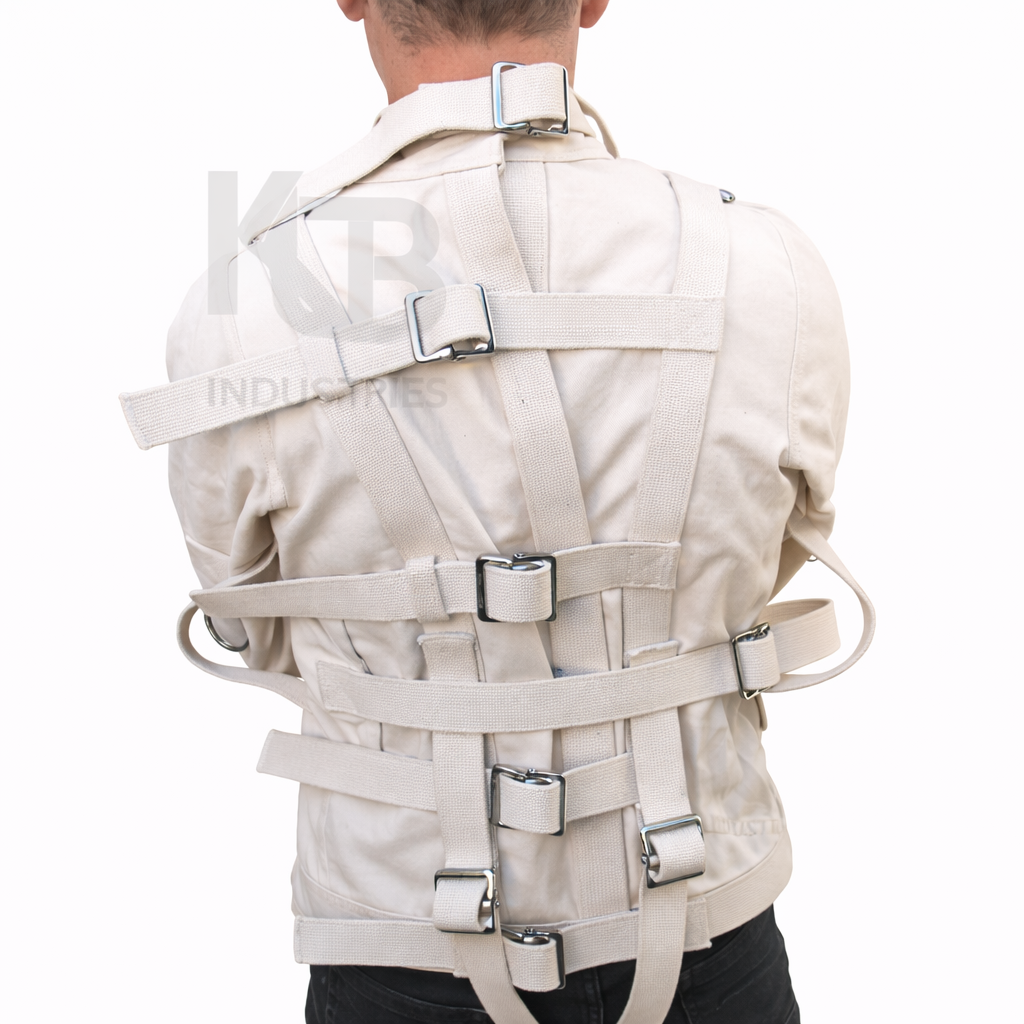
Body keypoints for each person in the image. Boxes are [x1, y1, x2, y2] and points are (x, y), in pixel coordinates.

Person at [119, 1, 874, 1021]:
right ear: (594, 0)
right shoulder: (766, 261)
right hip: (704, 912)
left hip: (400, 934)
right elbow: (775, 548)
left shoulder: (242, 300)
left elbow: (253, 624)